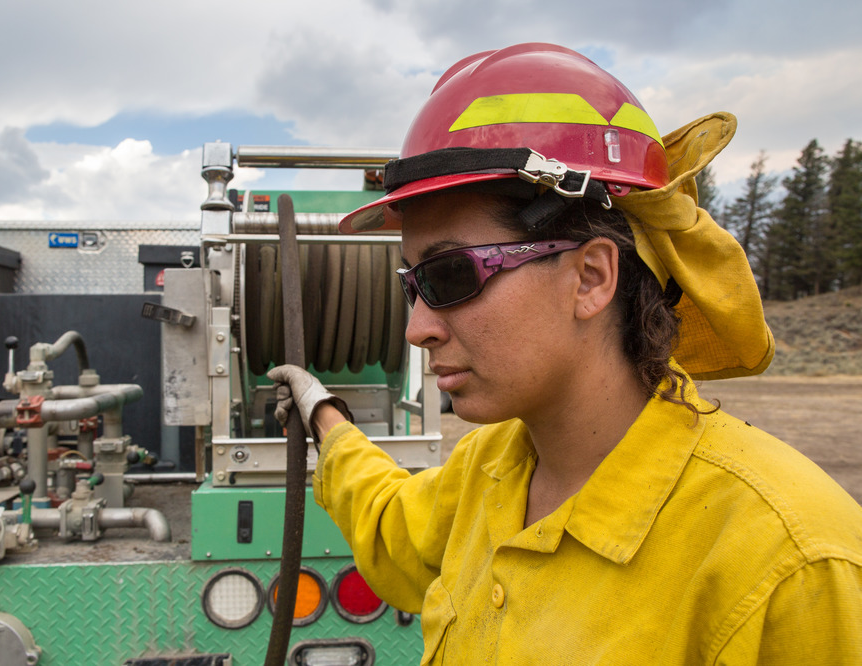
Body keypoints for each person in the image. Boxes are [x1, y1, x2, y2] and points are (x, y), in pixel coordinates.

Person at [268, 43, 862, 664]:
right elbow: (391, 524)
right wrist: (323, 415)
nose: (417, 329)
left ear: (591, 278)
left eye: (448, 276)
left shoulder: (791, 565)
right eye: (410, 286)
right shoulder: (493, 469)